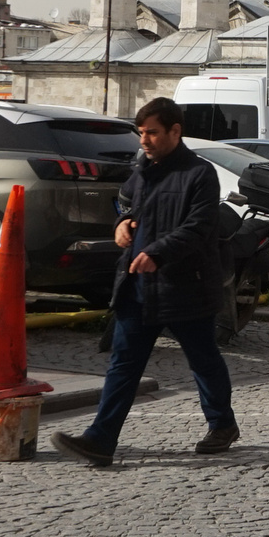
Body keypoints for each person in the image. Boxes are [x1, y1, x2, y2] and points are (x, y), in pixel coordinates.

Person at [55, 97, 238, 466]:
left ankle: (222, 424)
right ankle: (100, 440)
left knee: (203, 360)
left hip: (185, 287)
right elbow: (130, 208)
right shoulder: (141, 171)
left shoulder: (199, 174)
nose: (144, 140)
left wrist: (159, 252)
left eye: (152, 133)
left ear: (175, 131)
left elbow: (200, 226)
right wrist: (121, 225)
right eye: (141, 132)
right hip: (138, 288)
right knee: (123, 364)